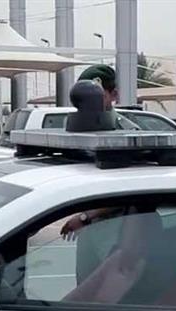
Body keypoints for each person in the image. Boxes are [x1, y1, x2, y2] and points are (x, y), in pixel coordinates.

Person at [60, 64, 139, 282]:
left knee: (111, 288)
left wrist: (86, 216)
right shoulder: (77, 130)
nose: (89, 102)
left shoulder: (126, 133)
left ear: (114, 95)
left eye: (97, 95)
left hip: (116, 227)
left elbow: (130, 188)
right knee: (86, 288)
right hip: (88, 228)